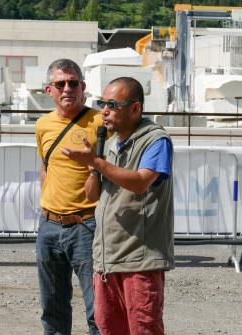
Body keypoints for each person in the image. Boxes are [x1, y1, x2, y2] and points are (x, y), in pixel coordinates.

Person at [60, 76, 174, 335]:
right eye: (103, 103)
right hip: (106, 260)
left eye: (113, 104)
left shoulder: (155, 140)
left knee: (143, 329)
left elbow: (141, 182)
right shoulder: (110, 144)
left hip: (139, 260)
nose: (105, 111)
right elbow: (92, 195)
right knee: (108, 328)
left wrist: (99, 163)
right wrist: (93, 167)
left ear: (135, 108)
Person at [35, 59, 102, 335]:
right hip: (49, 226)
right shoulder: (42, 125)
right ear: (49, 89)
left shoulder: (99, 122)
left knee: (97, 309)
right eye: (60, 83)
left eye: (73, 82)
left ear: (83, 87)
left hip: (86, 226)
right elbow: (45, 166)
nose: (67, 88)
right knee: (52, 310)